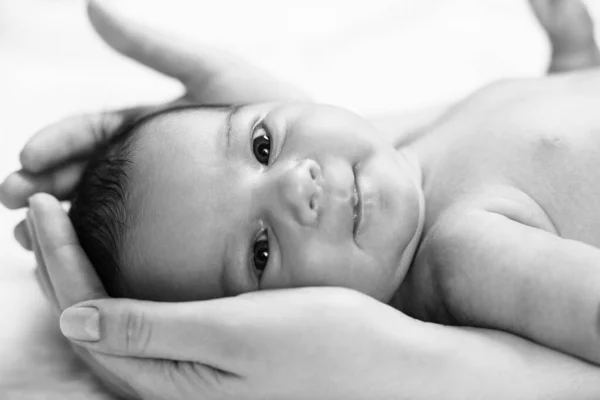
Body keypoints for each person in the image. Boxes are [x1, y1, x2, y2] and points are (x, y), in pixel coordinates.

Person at [3, 0, 600, 399]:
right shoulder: (466, 252)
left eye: (262, 145)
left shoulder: (416, 144)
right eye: (260, 252)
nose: (296, 185)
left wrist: (570, 64)